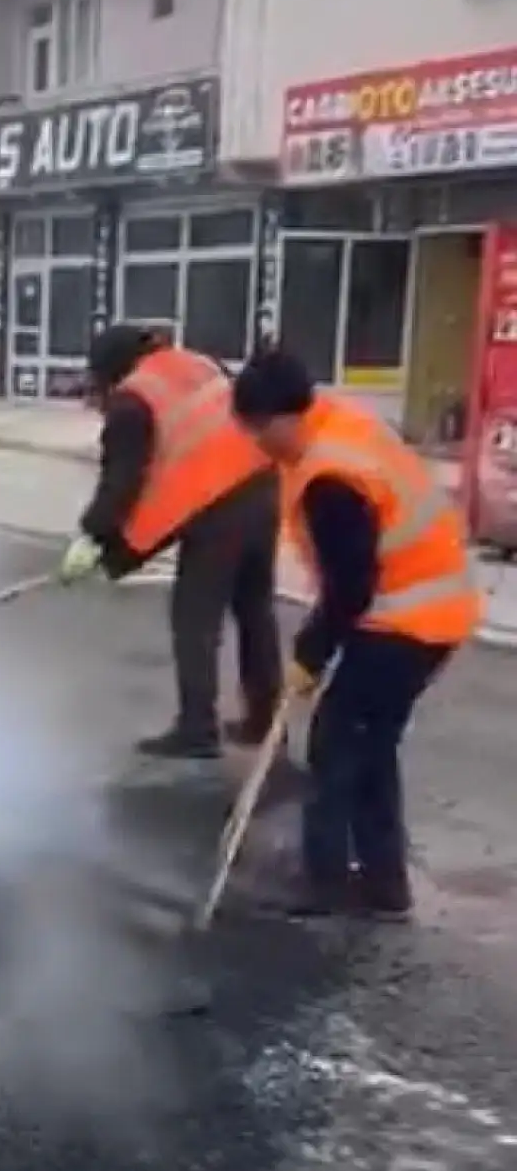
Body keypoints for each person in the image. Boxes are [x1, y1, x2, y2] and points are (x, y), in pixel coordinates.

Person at [231, 348, 481, 920]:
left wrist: (310, 654)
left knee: (338, 737)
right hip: (426, 605)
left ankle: (324, 882)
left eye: (258, 430)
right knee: (369, 743)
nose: (256, 443)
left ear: (284, 417)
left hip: (411, 618)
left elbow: (350, 587)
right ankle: (383, 884)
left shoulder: (331, 477)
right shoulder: (334, 428)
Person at [59, 325, 284, 760]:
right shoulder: (198, 363)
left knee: (194, 620)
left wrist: (93, 536)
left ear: (111, 371)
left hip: (218, 506)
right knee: (256, 611)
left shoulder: (132, 399)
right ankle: (264, 721)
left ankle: (197, 728)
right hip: (263, 486)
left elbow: (122, 483)